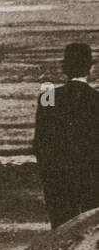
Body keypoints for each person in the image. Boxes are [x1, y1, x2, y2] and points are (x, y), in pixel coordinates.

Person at [33, 41, 99, 229]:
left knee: (61, 231)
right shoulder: (97, 99)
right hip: (93, 179)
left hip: (59, 180)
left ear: (64, 68)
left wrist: (49, 175)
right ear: (90, 68)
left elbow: (40, 143)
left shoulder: (48, 96)